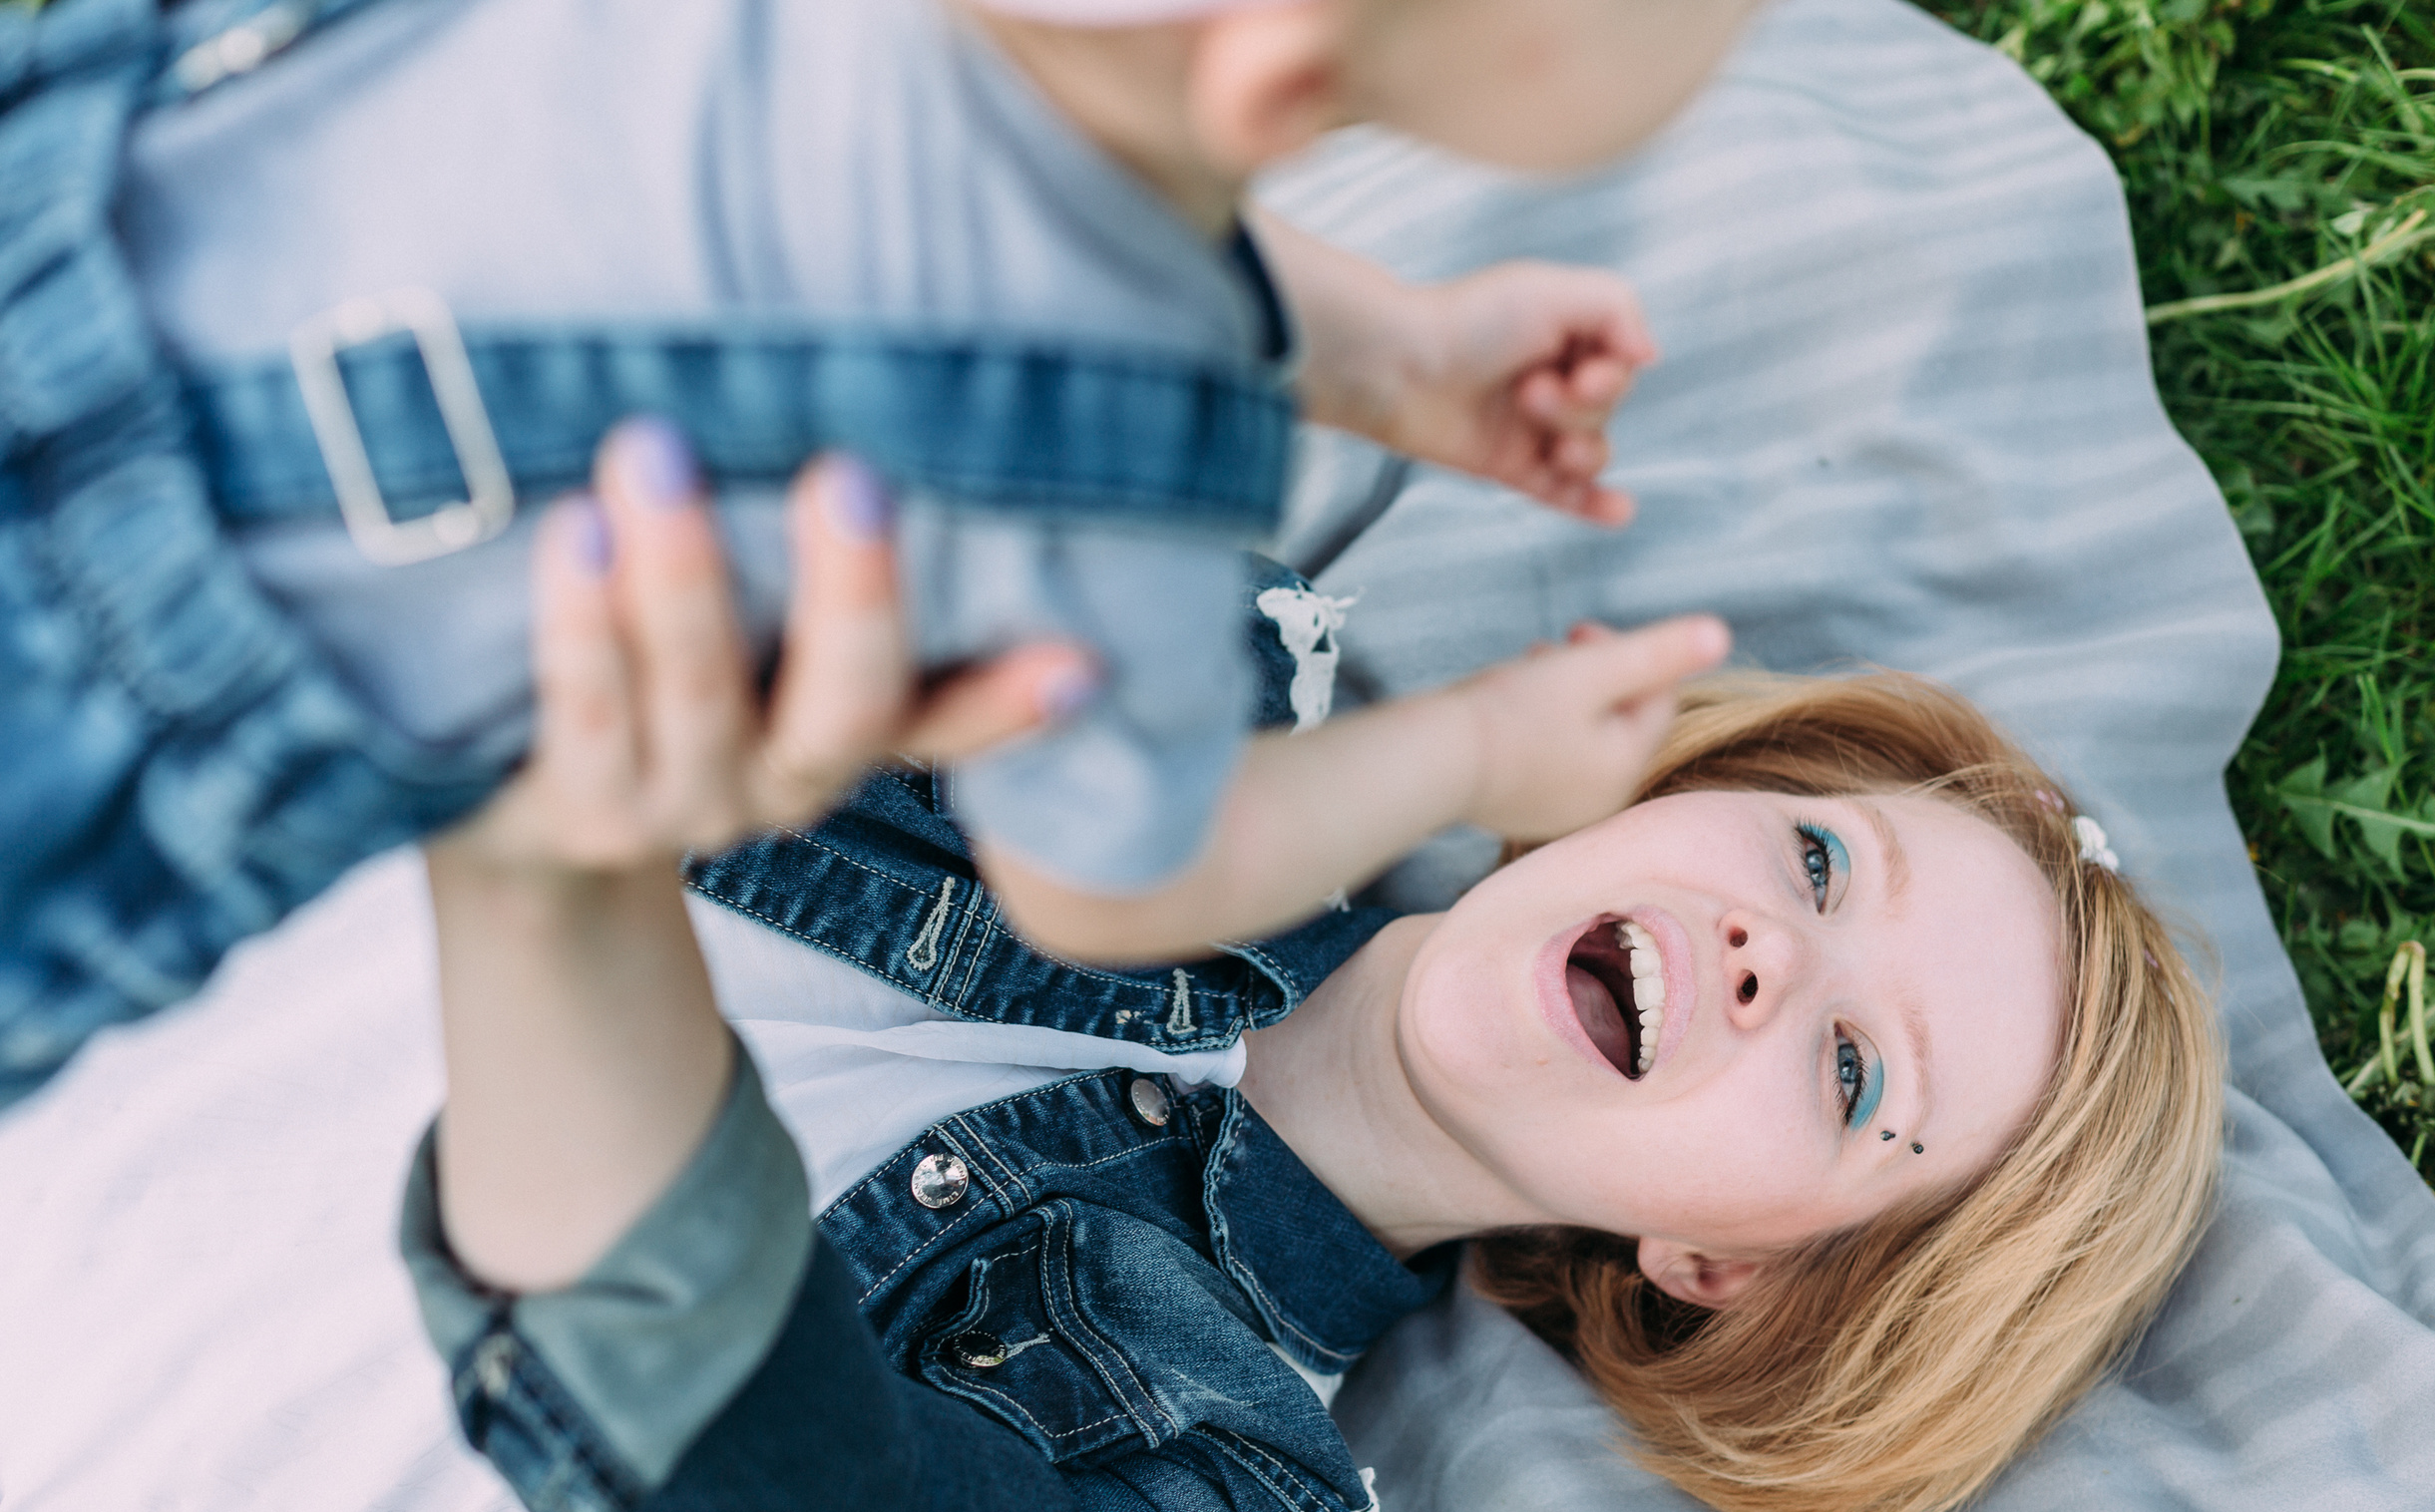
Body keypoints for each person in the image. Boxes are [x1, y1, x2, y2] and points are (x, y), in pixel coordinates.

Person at [0, 413, 2225, 1512]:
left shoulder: (1248, 1509)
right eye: (1818, 859)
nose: (1768, 956)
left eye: (1849, 1078)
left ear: (1720, 1269)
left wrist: (553, 917)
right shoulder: (1179, 669)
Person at [1, 0, 1769, 1108]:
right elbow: (1114, 891)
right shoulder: (1111, 492)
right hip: (99, 698)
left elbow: (1061, 198)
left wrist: (1389, 357)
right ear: (1282, 91)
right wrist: (1474, 745)